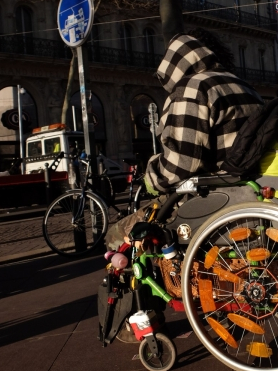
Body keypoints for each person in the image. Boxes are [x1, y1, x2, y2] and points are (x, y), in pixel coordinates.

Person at [105, 29, 264, 251]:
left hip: (209, 199)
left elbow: (180, 164)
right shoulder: (247, 88)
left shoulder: (194, 87)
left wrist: (152, 175)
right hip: (249, 195)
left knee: (115, 236)